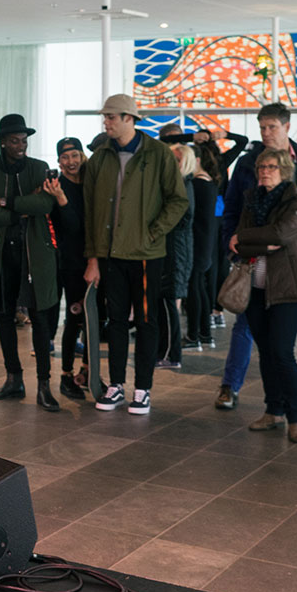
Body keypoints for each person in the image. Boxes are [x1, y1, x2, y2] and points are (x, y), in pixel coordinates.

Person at [215, 103, 297, 419]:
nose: (266, 133)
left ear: (286, 126)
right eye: (262, 128)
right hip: (254, 261)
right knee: (245, 322)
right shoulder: (246, 166)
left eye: (272, 127)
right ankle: (230, 385)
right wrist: (234, 247)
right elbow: (231, 211)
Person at [82, 94, 188, 415]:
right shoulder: (100, 158)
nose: (106, 122)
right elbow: (90, 210)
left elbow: (178, 201)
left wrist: (152, 233)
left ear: (130, 118)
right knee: (114, 321)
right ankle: (115, 385)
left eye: (112, 117)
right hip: (110, 255)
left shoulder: (157, 155)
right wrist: (93, 257)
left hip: (146, 255)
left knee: (145, 321)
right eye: (105, 117)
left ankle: (142, 388)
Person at [0, 114, 60, 411]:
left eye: (23, 140)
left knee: (40, 317)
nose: (21, 146)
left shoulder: (39, 169)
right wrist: (17, 213)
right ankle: (13, 379)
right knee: (4, 317)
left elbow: (45, 204)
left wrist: (6, 202)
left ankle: (44, 385)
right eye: (15, 141)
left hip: (34, 254)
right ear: (3, 143)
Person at [232, 148, 297, 443]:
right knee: (266, 353)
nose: (265, 171)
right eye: (261, 167)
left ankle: (295, 416)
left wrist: (246, 238)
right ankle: (273, 410)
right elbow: (238, 245)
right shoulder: (251, 202)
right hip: (255, 288)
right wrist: (256, 243)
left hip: (288, 289)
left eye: (271, 167)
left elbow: (281, 235)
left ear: (285, 170)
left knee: (281, 352)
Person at [43, 136, 90, 398]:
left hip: (94, 259)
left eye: (75, 155)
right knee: (74, 318)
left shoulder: (91, 183)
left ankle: (87, 372)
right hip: (71, 263)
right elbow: (71, 227)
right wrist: (61, 198)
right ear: (59, 162)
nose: (71, 162)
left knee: (94, 319)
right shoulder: (56, 188)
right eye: (65, 157)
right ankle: (66, 375)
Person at [155, 144, 196, 369]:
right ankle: (166, 351)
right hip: (172, 248)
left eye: (177, 160)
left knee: (169, 300)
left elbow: (180, 218)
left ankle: (171, 354)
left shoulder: (183, 185)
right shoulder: (176, 184)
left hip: (176, 250)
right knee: (165, 301)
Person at [183, 144, 222, 349]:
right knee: (201, 287)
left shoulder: (196, 184)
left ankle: (193, 335)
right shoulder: (210, 181)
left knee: (194, 288)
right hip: (208, 241)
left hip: (198, 241)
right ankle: (205, 334)